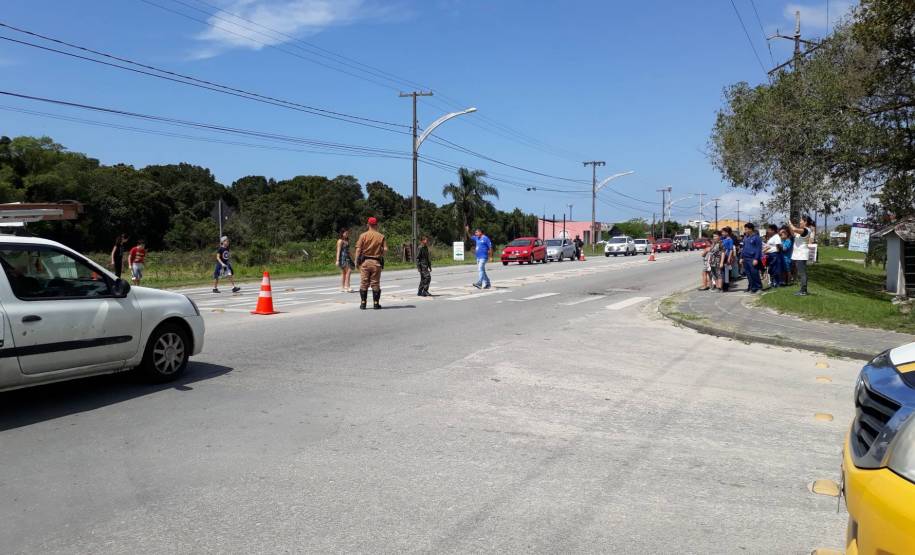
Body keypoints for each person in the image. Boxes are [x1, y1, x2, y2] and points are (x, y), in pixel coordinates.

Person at [355, 216, 387, 309]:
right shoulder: (381, 236)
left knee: (364, 282)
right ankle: (376, 303)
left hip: (365, 262)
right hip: (376, 262)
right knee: (375, 283)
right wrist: (380, 254)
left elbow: (358, 249)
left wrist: (356, 261)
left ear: (368, 224)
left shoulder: (363, 235)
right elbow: (385, 249)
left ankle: (363, 303)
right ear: (376, 225)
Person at [788, 215, 816, 296]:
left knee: (802, 273)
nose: (800, 222)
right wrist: (789, 225)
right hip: (799, 254)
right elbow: (793, 233)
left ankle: (803, 291)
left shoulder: (806, 230)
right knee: (801, 272)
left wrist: (790, 223)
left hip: (802, 254)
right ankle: (802, 290)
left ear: (805, 222)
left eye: (801, 221)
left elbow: (794, 229)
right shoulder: (801, 231)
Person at [740, 223, 763, 293]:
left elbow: (758, 249)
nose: (745, 230)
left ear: (751, 229)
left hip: (752, 258)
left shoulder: (756, 237)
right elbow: (743, 248)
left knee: (754, 273)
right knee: (748, 274)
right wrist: (741, 257)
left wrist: (756, 259)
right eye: (745, 229)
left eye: (746, 229)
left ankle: (759, 287)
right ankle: (752, 287)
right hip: (745, 258)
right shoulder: (746, 238)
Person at [763, 224, 783, 288]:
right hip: (770, 255)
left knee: (776, 269)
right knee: (771, 269)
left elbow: (778, 246)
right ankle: (773, 283)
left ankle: (777, 283)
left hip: (775, 255)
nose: (768, 231)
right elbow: (769, 246)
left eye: (769, 230)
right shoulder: (772, 237)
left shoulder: (776, 237)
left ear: (773, 230)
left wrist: (776, 252)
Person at [335, 228, 355, 293]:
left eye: (347, 233)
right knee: (348, 271)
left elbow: (348, 251)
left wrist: (353, 257)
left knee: (344, 273)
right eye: (346, 233)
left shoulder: (346, 241)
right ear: (342, 233)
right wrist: (337, 260)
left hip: (348, 257)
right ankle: (347, 286)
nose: (347, 234)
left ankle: (342, 287)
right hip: (343, 258)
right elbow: (338, 251)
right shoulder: (340, 241)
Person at [720, 227, 735, 292]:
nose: (722, 233)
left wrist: (729, 258)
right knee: (721, 272)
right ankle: (722, 285)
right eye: (722, 232)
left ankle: (726, 287)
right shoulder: (722, 239)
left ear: (727, 233)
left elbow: (731, 249)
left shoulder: (730, 240)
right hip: (721, 257)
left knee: (726, 272)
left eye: (723, 232)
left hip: (727, 257)